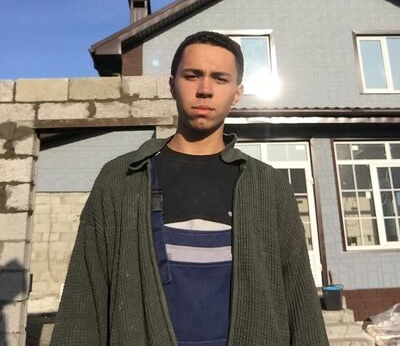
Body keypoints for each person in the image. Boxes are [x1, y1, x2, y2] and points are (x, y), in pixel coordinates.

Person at [50, 31, 328, 346]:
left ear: (237, 93)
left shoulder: (269, 187)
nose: (205, 89)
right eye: (192, 75)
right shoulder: (121, 179)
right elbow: (83, 300)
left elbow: (301, 302)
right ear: (172, 84)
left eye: (220, 78)